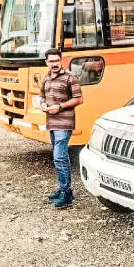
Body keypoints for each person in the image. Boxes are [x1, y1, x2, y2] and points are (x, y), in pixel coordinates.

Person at [40, 48, 83, 209]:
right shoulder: (46, 78)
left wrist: (60, 106)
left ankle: (66, 194)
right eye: (51, 61)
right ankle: (64, 189)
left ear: (61, 60)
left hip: (64, 123)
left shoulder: (70, 77)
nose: (54, 64)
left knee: (59, 157)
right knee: (59, 157)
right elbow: (41, 95)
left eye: (57, 60)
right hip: (51, 122)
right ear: (46, 62)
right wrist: (43, 104)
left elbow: (79, 99)